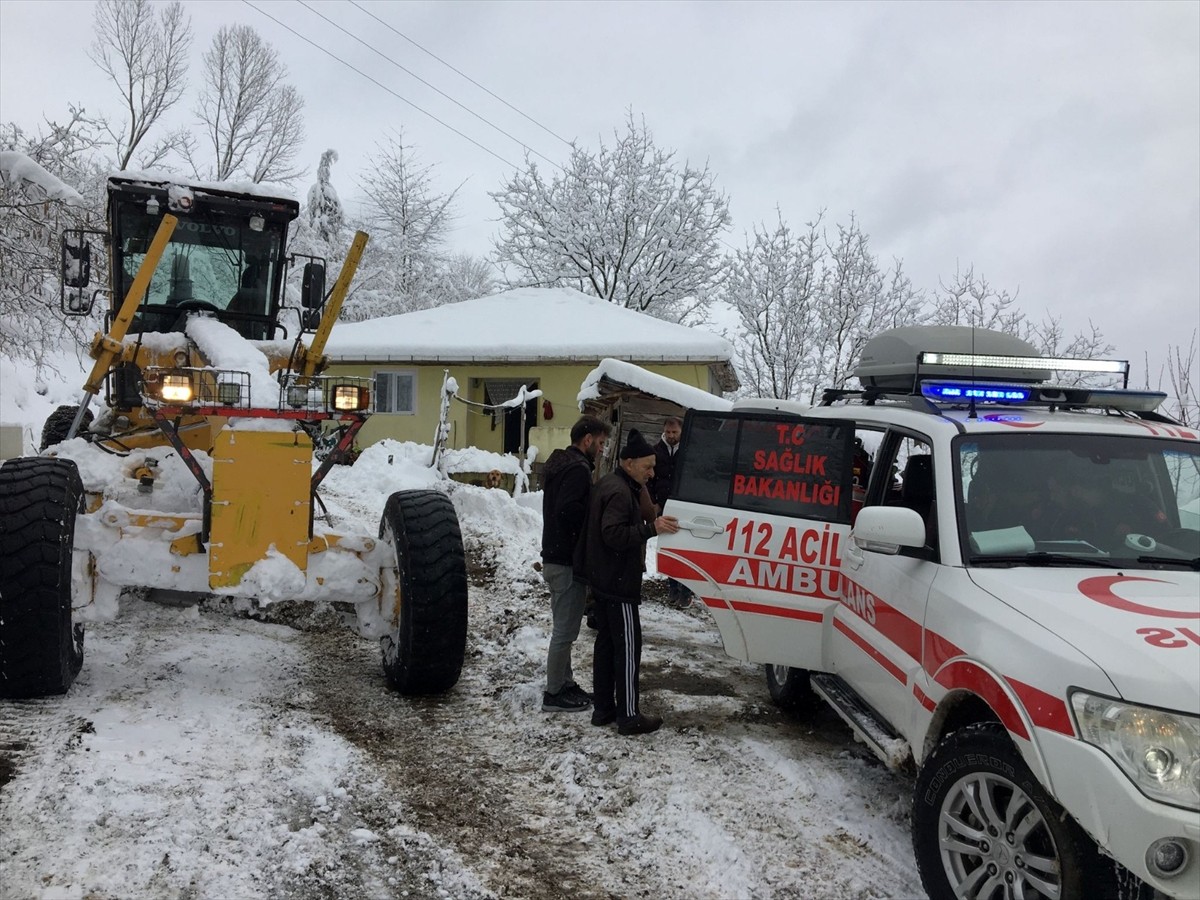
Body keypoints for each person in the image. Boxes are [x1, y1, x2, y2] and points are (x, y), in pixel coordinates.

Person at [576, 429, 680, 736]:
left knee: (607, 645)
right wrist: (651, 528)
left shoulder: (615, 483)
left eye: (654, 467)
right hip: (618, 583)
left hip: (605, 580)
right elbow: (614, 534)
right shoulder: (620, 492)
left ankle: (603, 709)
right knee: (628, 648)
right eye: (647, 466)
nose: (652, 472)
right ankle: (630, 716)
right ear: (629, 462)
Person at [539, 415, 611, 713]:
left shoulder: (561, 464)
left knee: (563, 628)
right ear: (588, 440)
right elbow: (569, 510)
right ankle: (554, 693)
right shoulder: (578, 470)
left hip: (555, 557)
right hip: (565, 561)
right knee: (565, 632)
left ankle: (565, 682)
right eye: (601, 443)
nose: (602, 449)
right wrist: (594, 517)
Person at [647, 416, 692, 609]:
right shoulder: (656, 451)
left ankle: (686, 590)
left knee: (686, 550)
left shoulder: (690, 450)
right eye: (668, 432)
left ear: (681, 432)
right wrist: (653, 502)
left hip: (685, 507)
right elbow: (650, 479)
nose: (671, 436)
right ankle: (672, 588)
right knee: (669, 549)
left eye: (675, 432)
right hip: (664, 508)